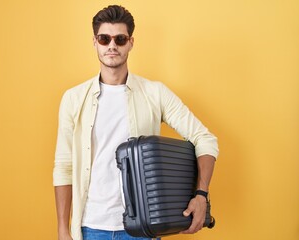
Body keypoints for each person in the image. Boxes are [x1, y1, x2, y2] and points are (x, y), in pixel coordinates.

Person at [53, 5, 218, 240]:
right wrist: (63, 228)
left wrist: (201, 195)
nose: (112, 45)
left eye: (120, 39)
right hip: (90, 226)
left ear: (131, 42)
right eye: (104, 38)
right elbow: (64, 166)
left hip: (142, 228)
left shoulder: (155, 93)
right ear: (94, 42)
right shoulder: (73, 99)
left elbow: (205, 139)